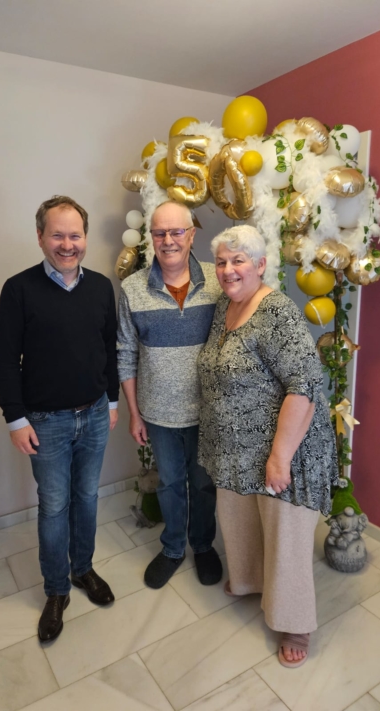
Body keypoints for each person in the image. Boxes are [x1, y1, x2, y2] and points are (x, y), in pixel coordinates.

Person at [197, 224, 339, 668]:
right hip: (236, 448)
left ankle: (295, 622)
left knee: (286, 538)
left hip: (284, 447)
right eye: (221, 261)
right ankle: (249, 581)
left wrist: (280, 458)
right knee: (241, 520)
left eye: (239, 260)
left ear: (261, 265)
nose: (227, 269)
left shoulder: (276, 312)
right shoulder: (225, 304)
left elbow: (305, 385)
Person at [0, 195, 119, 642]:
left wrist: (113, 401)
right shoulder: (19, 289)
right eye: (58, 235)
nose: (68, 244)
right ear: (41, 236)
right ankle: (56, 590)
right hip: (45, 422)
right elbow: (5, 360)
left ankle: (82, 569)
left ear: (85, 237)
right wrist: (16, 419)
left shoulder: (102, 287)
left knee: (86, 498)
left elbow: (110, 350)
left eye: (75, 235)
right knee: (54, 506)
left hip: (95, 416)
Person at [117, 201, 223, 589]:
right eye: (160, 233)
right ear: (152, 239)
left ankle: (204, 546)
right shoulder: (132, 289)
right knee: (169, 484)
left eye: (176, 232)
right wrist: (133, 412)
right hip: (157, 412)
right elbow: (125, 353)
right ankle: (174, 548)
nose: (168, 240)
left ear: (192, 235)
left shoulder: (217, 281)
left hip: (207, 412)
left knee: (204, 484)